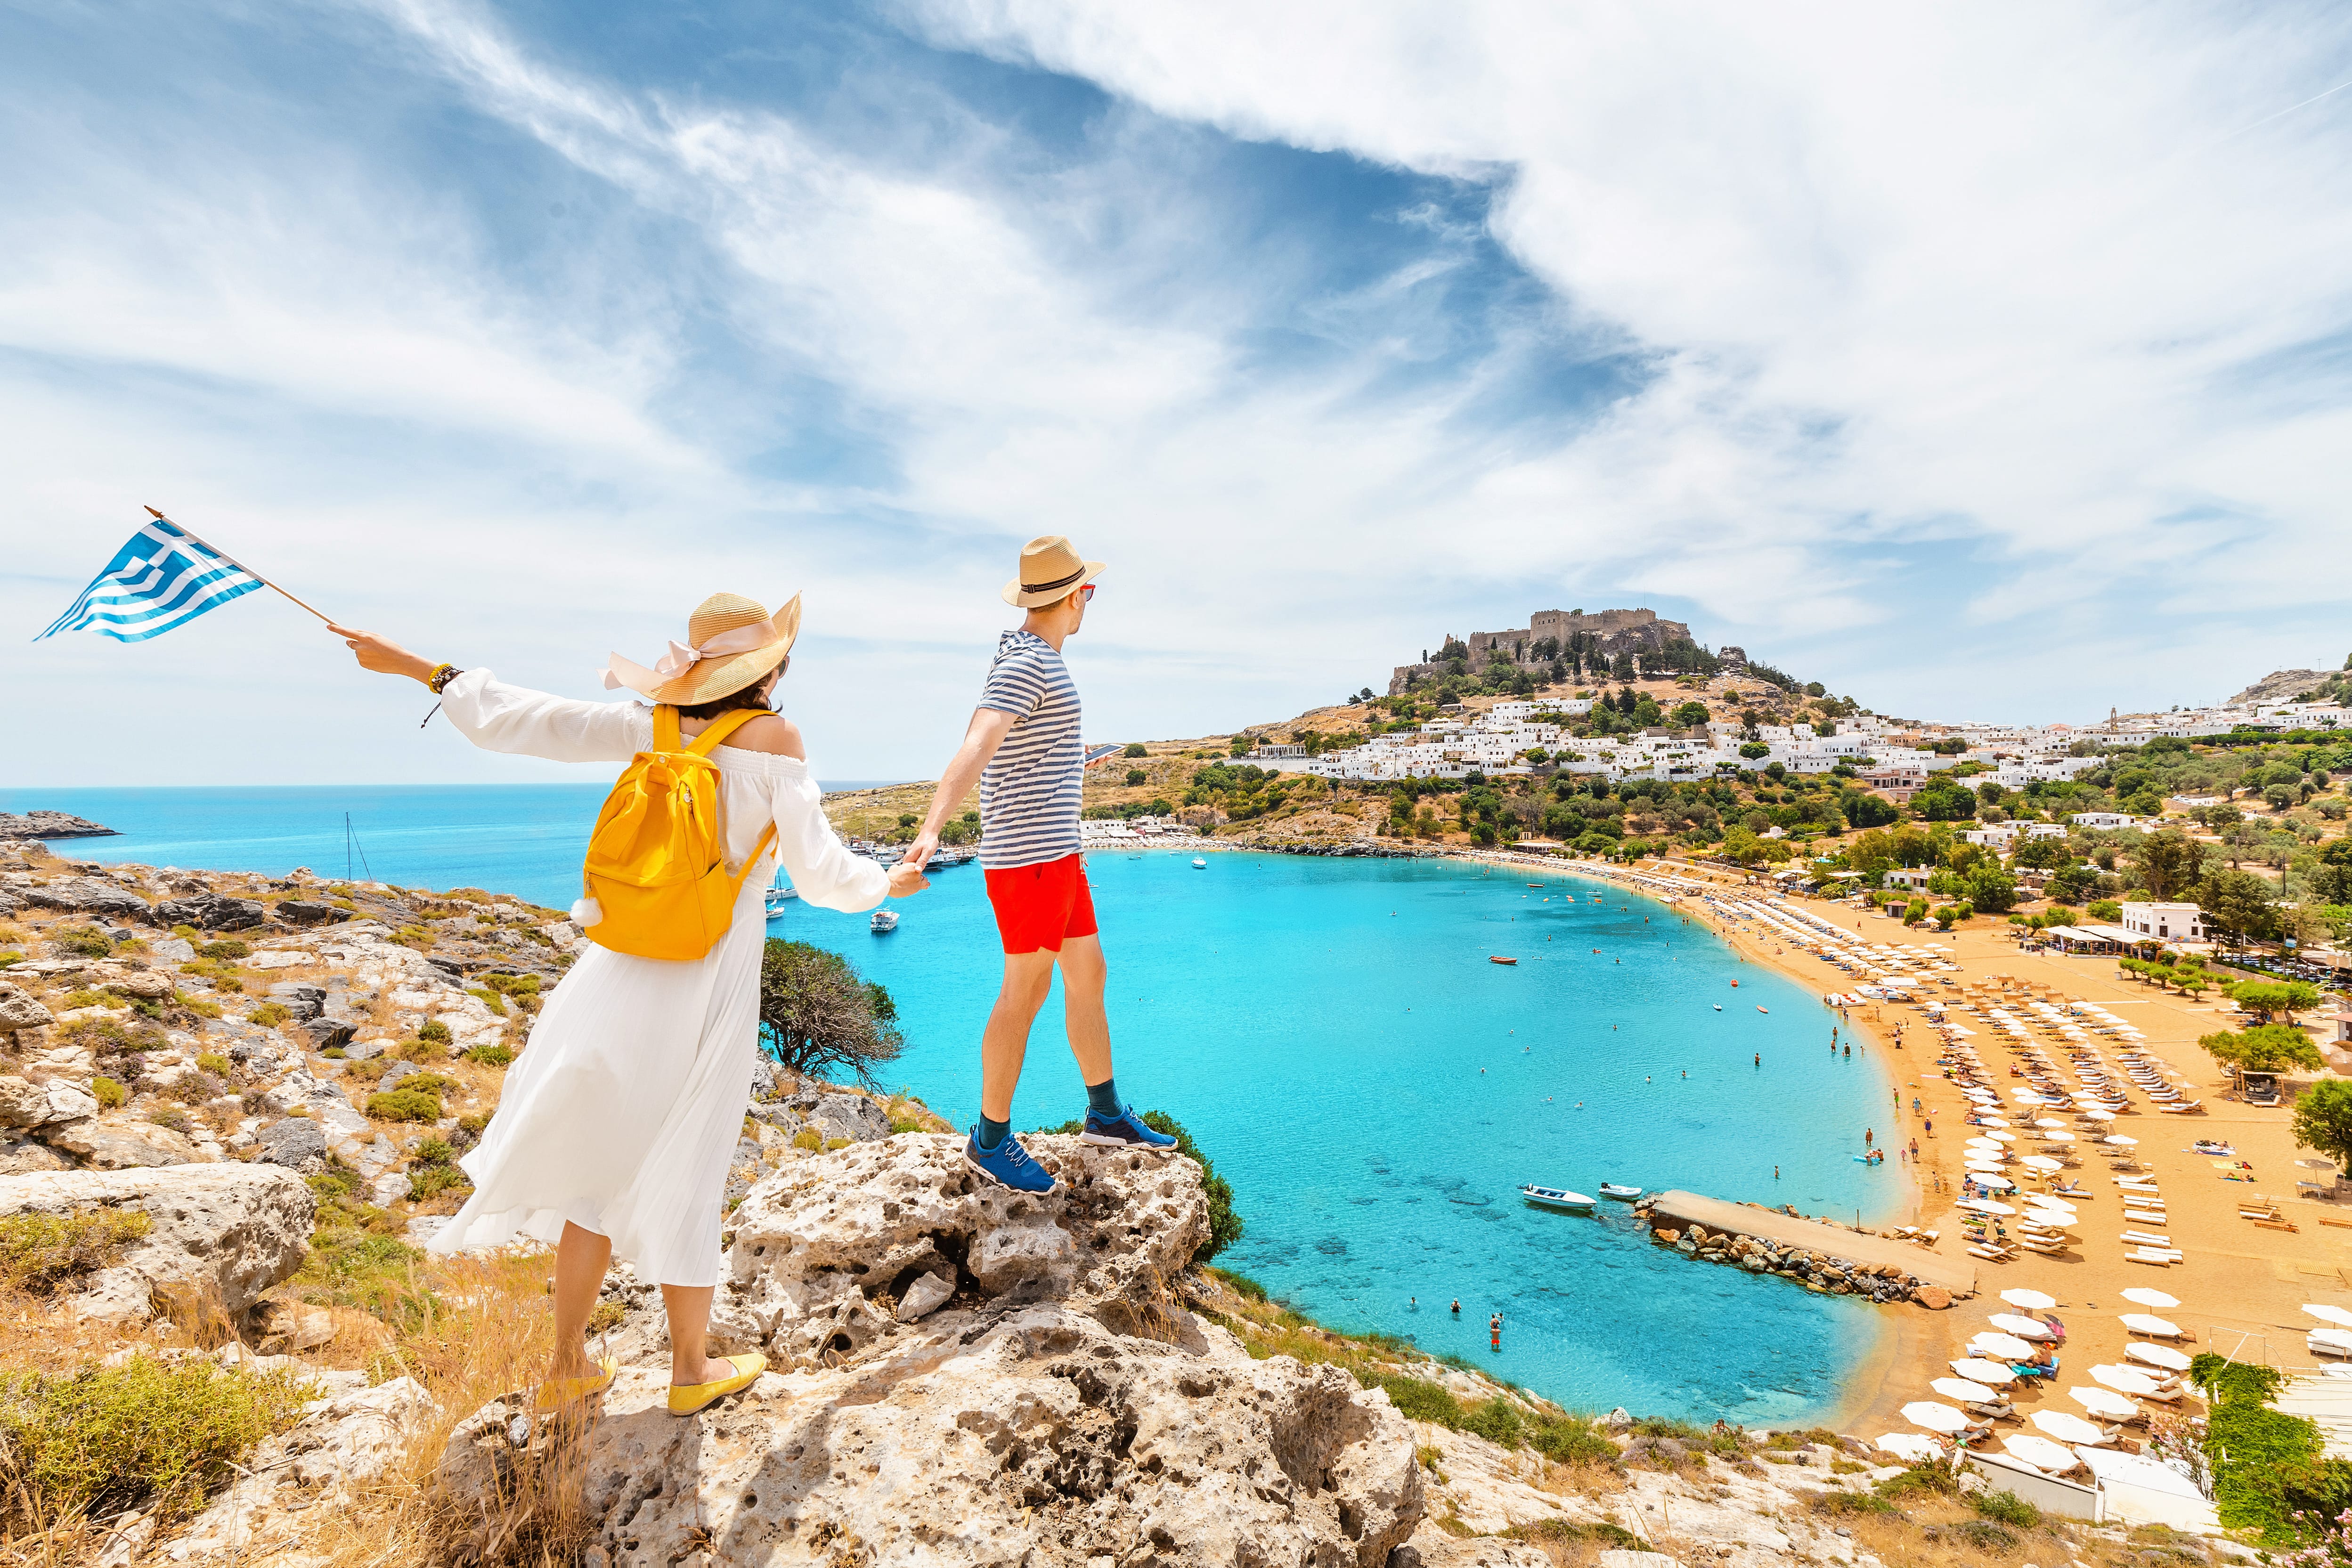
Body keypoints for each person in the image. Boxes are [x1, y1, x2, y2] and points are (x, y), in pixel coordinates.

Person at [330, 593, 924, 1416]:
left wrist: (419, 668)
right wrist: (888, 882)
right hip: (707, 972)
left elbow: (529, 720)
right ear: (772, 668)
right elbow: (821, 875)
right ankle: (689, 1370)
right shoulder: (776, 740)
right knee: (691, 1163)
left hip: (619, 968)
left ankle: (567, 1364)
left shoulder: (652, 724)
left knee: (594, 1174)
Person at [902, 536, 1174, 1193]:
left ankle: (1105, 1113)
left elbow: (1015, 750)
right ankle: (989, 1139)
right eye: (1089, 593)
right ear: (1077, 596)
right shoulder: (1028, 664)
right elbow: (978, 743)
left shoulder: (1028, 658)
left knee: (1088, 971)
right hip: (1028, 860)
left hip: (1056, 853)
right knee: (1025, 991)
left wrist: (1071, 760)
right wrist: (930, 830)